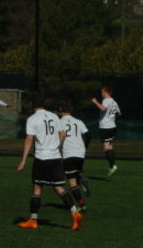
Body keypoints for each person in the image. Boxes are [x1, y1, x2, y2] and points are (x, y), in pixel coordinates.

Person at [17, 92, 84, 231]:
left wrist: (23, 160)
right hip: (56, 157)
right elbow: (63, 134)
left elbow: (29, 139)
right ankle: (75, 212)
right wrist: (58, 147)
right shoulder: (54, 116)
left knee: (37, 187)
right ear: (44, 103)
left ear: (32, 104)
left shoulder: (32, 119)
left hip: (42, 158)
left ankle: (33, 220)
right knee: (58, 187)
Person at [59, 100, 91, 208]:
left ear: (60, 109)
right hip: (80, 154)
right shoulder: (78, 121)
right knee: (74, 173)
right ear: (71, 110)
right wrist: (84, 148)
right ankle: (81, 180)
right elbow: (88, 136)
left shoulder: (59, 122)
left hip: (68, 153)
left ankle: (82, 206)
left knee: (72, 182)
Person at [92, 86, 121, 177]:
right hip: (113, 126)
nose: (101, 94)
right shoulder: (114, 102)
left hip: (105, 127)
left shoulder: (106, 100)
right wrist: (111, 114)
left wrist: (95, 102)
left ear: (106, 92)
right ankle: (112, 164)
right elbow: (119, 113)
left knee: (106, 147)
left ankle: (113, 165)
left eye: (102, 92)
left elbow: (103, 108)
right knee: (110, 146)